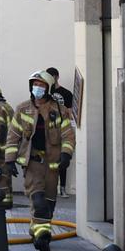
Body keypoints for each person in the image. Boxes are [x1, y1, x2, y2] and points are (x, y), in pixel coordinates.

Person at [11, 70, 77, 251]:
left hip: (52, 165)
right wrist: (9, 161)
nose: (37, 88)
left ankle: (38, 229)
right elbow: (13, 135)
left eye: (41, 85)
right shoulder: (23, 109)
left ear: (48, 88)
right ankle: (43, 237)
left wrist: (66, 154)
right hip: (32, 163)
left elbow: (68, 136)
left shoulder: (59, 111)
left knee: (48, 203)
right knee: (38, 200)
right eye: (34, 84)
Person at [47, 66, 77, 195]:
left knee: (62, 158)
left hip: (61, 129)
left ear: (57, 77)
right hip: (47, 130)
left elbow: (71, 113)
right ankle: (49, 188)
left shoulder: (66, 93)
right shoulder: (45, 94)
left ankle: (62, 188)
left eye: (52, 77)